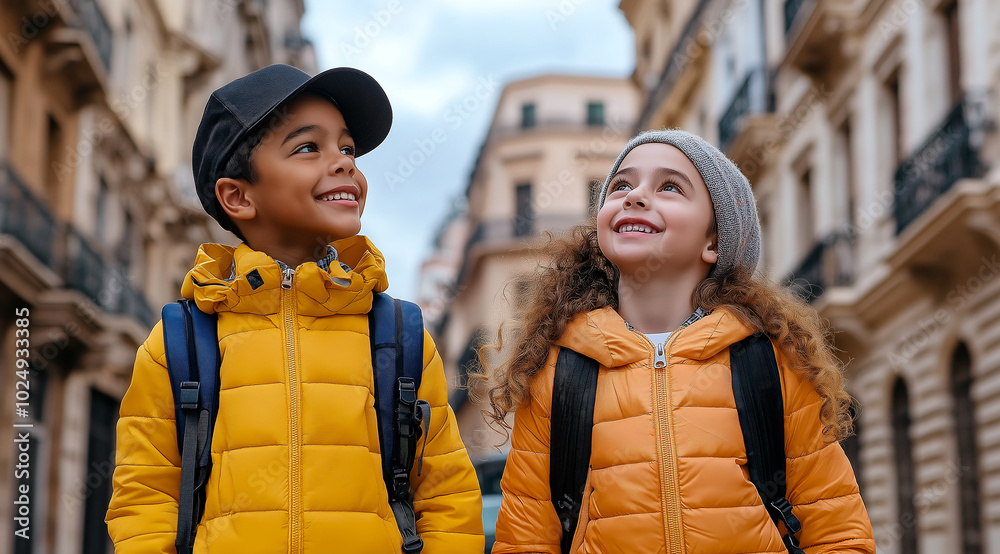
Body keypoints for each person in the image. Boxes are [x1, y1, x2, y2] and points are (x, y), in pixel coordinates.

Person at [105, 64, 484, 553]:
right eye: (309, 148)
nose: (345, 162)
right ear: (238, 196)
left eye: (347, 148)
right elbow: (144, 496)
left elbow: (447, 491)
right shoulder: (179, 340)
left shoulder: (398, 332)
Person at [482, 130, 875, 553]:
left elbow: (838, 533)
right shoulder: (560, 370)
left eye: (669, 187)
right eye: (621, 185)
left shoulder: (771, 361)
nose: (635, 196)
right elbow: (525, 541)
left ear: (714, 240)